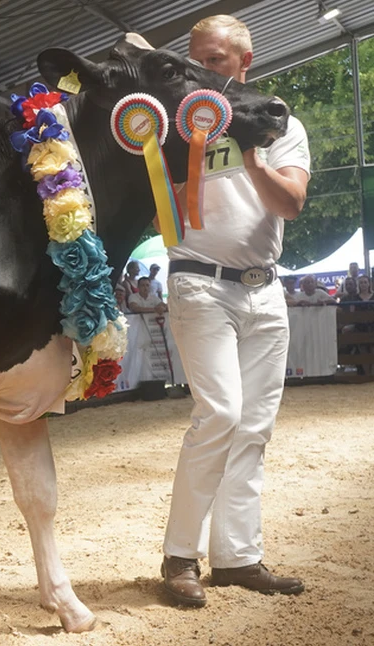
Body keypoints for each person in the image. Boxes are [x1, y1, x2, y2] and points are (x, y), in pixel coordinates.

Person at [161, 14, 311, 608]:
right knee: (220, 412)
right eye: (197, 59)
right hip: (200, 283)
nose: (204, 69)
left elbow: (292, 204)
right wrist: (189, 160)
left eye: (216, 60)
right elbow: (166, 221)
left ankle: (238, 557)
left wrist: (252, 155)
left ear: (245, 62)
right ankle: (178, 558)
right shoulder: (175, 129)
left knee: (254, 427)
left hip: (265, 290)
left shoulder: (283, 124)